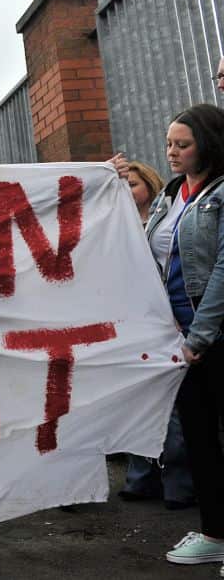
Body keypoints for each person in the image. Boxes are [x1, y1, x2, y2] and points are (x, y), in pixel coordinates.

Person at [143, 104, 224, 568]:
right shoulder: (170, 194)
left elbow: (223, 271)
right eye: (169, 143)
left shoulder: (221, 193)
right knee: (200, 440)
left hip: (210, 337)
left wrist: (200, 336)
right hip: (179, 341)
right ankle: (215, 532)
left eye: (182, 144)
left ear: (207, 145)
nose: (171, 152)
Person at [119, 160, 193, 509]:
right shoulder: (115, 225)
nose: (128, 191)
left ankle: (178, 484)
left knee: (174, 403)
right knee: (137, 402)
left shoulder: (165, 223)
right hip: (135, 324)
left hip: (169, 321)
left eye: (133, 184)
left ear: (150, 185)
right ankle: (140, 479)